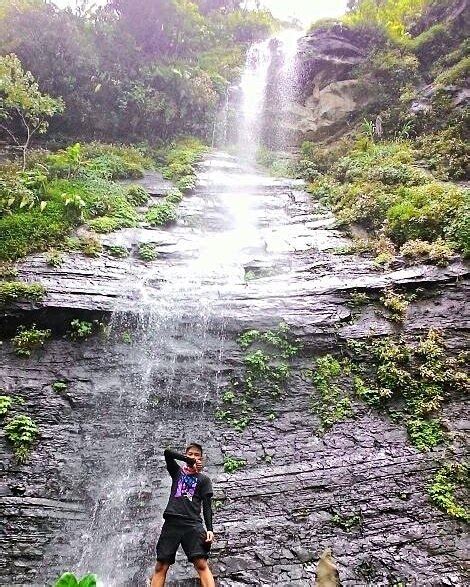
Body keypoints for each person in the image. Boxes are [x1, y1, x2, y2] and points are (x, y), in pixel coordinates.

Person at [150, 443, 215, 587]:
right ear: (185, 456)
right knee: (161, 566)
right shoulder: (177, 472)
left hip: (193, 524)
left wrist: (209, 529)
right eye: (190, 454)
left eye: (197, 455)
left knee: (201, 565)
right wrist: (187, 460)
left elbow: (207, 507)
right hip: (172, 523)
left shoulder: (204, 480)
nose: (193, 457)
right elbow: (167, 452)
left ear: (201, 459)